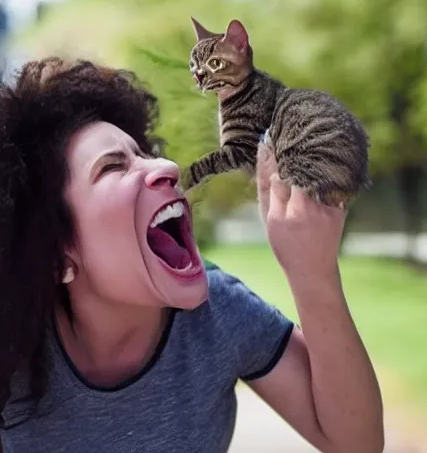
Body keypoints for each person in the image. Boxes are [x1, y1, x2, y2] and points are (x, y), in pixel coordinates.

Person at [0, 57, 384, 453]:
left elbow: (356, 443)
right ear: (56, 257)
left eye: (145, 154)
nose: (166, 166)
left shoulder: (219, 314)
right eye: (113, 167)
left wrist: (313, 274)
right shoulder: (14, 343)